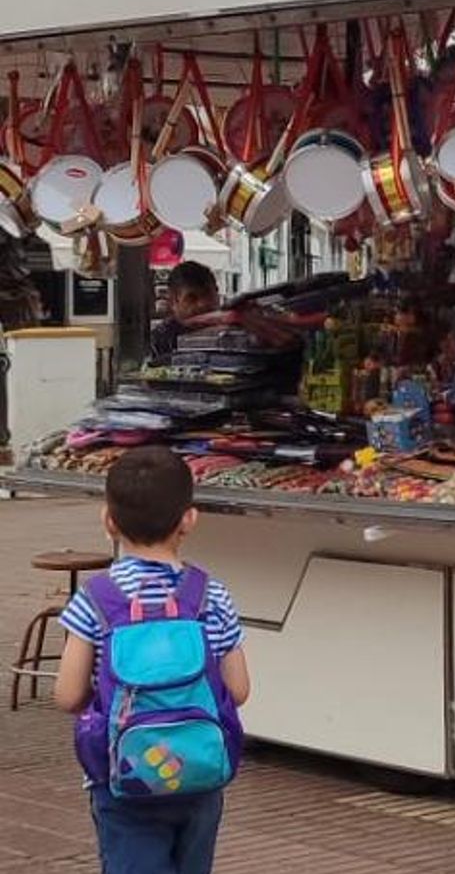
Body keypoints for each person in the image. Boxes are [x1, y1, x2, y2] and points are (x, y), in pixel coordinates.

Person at [54, 447, 250, 874]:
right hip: (199, 774)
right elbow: (239, 690)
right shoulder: (211, 595)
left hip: (124, 775)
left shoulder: (95, 599)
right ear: (189, 519)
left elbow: (68, 695)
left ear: (109, 520)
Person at [148, 262, 220, 365]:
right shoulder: (158, 342)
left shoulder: (234, 334)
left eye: (207, 295)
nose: (202, 304)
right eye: (192, 298)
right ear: (174, 300)